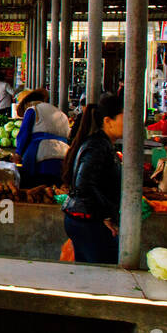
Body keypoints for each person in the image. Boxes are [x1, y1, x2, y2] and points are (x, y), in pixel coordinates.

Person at [62, 94, 125, 264]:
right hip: (88, 222)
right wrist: (104, 215)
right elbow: (84, 185)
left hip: (87, 219)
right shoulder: (97, 146)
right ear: (108, 121)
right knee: (101, 275)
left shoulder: (103, 144)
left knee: (92, 274)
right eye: (125, 117)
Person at [15, 89, 69, 187]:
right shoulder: (60, 113)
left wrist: (18, 154)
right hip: (63, 157)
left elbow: (24, 134)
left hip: (42, 157)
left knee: (38, 189)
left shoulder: (33, 109)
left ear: (27, 104)